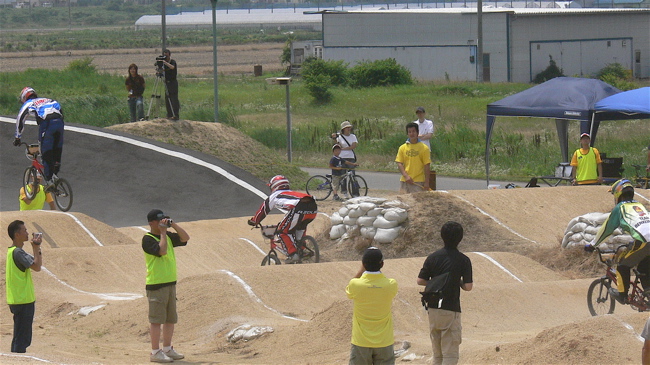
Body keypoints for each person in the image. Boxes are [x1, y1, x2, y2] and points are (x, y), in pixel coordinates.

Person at [585, 179, 650, 304]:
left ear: (617, 194)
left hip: (644, 240)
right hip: (645, 240)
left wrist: (593, 244)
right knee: (644, 264)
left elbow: (606, 229)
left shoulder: (620, 208)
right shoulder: (639, 206)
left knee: (622, 265)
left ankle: (623, 295)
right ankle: (648, 290)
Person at [417, 221, 473, 365]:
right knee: (450, 355)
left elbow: (420, 280)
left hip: (433, 309)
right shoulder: (463, 260)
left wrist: (437, 282)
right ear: (460, 238)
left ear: (442, 236)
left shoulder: (432, 257)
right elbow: (468, 286)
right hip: (450, 308)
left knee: (437, 355)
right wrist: (455, 282)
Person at [142, 209, 190, 363]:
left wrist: (173, 224)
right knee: (156, 320)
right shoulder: (147, 239)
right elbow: (162, 251)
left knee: (170, 319)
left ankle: (168, 348)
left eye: (164, 219)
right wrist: (163, 233)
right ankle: (155, 352)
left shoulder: (168, 235)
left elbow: (185, 238)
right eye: (159, 220)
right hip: (156, 284)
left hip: (170, 283)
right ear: (151, 223)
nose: (162, 222)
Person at [247, 175, 318, 264]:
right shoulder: (291, 192)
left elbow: (262, 211)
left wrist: (254, 221)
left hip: (298, 208)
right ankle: (302, 250)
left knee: (283, 231)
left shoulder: (274, 196)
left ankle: (293, 254)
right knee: (299, 228)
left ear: (274, 186)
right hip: (313, 207)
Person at [346, 247, 398, 365]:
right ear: (382, 264)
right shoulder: (391, 284)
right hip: (384, 341)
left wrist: (361, 271)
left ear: (363, 264)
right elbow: (384, 282)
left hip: (361, 341)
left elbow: (349, 290)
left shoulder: (355, 284)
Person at [13, 87, 65, 189]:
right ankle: (55, 174)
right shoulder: (49, 100)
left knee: (46, 150)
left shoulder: (29, 103)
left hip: (47, 123)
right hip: (59, 122)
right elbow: (60, 109)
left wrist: (17, 137)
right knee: (57, 148)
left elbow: (20, 119)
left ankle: (49, 179)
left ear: (24, 97)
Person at [6, 220, 43, 353]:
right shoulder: (18, 253)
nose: (27, 233)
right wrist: (36, 247)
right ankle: (17, 359)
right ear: (17, 234)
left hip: (18, 299)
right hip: (23, 300)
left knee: (19, 336)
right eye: (25, 230)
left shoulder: (13, 251)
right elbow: (37, 267)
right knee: (22, 338)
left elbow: (36, 264)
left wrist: (36, 247)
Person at [396, 122, 431, 193]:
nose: (412, 134)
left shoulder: (424, 148)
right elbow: (399, 163)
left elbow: (427, 165)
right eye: (409, 132)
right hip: (405, 181)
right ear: (407, 134)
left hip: (418, 182)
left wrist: (427, 182)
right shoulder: (402, 148)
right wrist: (406, 176)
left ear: (417, 133)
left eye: (414, 131)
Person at [161, 49, 180, 120]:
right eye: (164, 55)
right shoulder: (164, 64)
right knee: (167, 98)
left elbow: (172, 67)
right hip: (167, 82)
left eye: (166, 55)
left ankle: (175, 115)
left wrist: (165, 62)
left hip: (173, 82)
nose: (165, 56)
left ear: (169, 55)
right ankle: (169, 114)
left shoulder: (172, 62)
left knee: (174, 99)